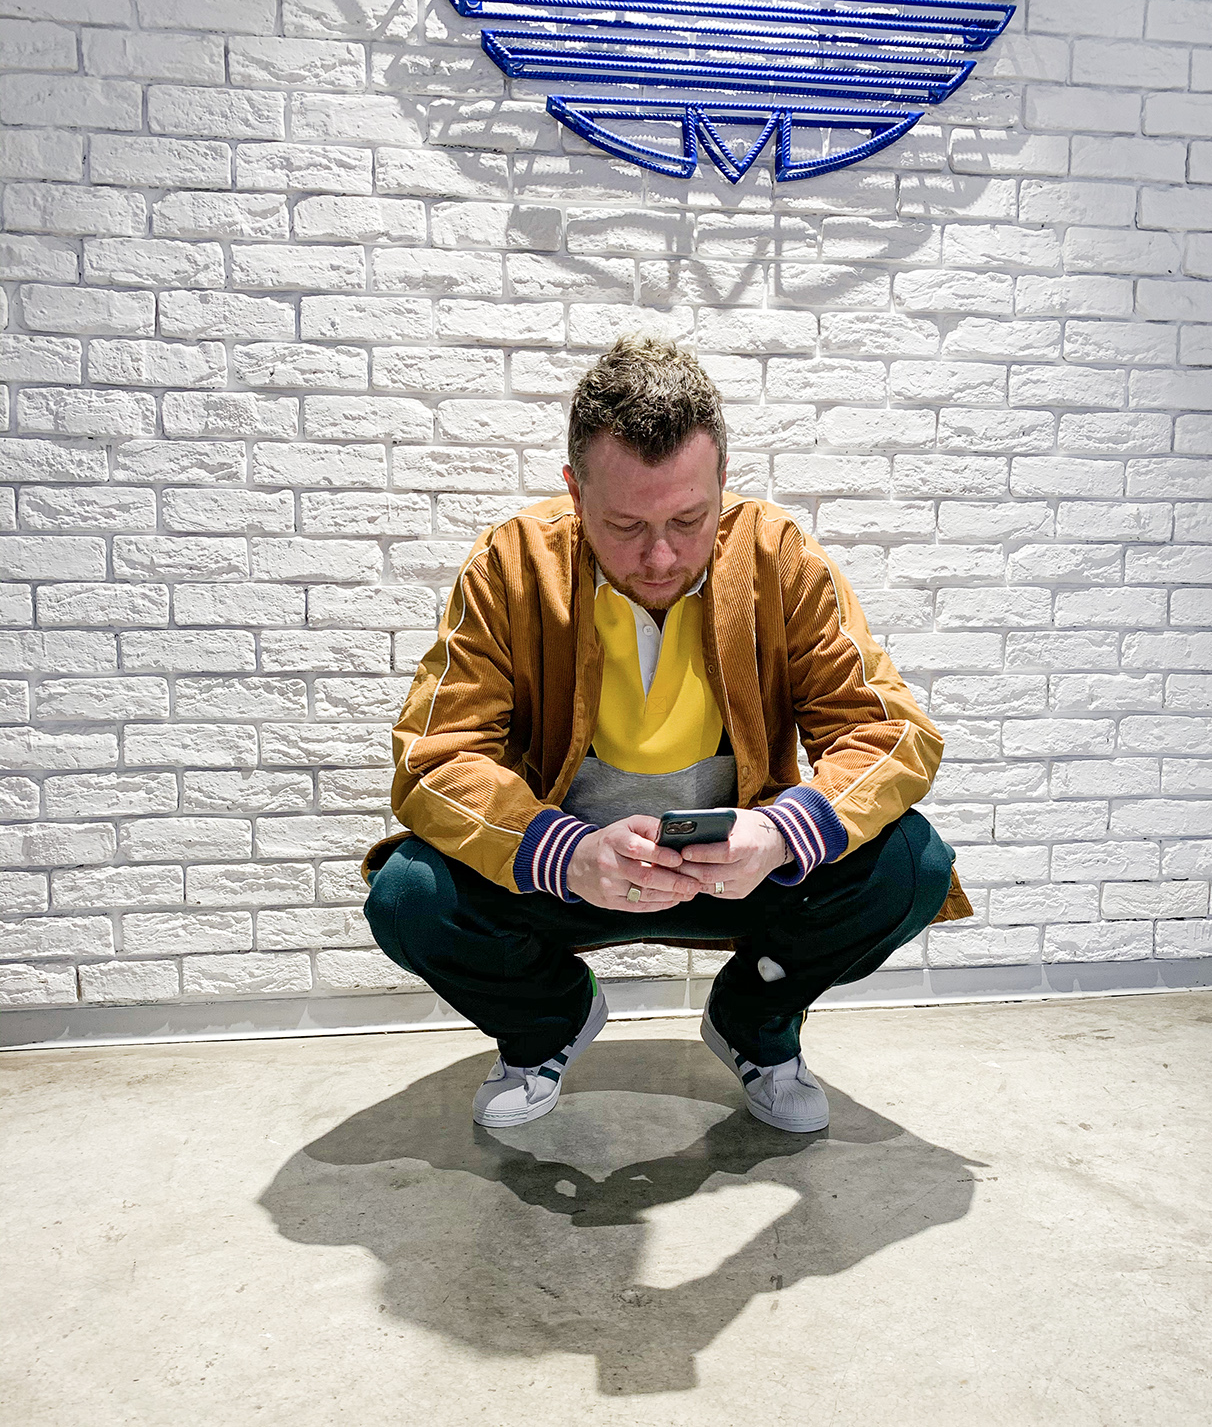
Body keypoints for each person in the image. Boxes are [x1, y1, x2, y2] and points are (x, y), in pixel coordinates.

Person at [362, 337, 971, 1134]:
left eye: (689, 519)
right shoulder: (512, 563)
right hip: (568, 876)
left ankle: (755, 1021)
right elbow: (432, 757)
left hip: (742, 874)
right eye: (624, 524)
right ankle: (547, 1022)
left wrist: (779, 834)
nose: (659, 556)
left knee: (912, 863)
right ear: (574, 490)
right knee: (409, 894)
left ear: (723, 481)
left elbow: (890, 733)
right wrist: (563, 852)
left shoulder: (779, 557)